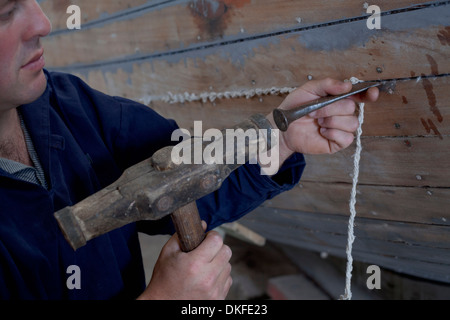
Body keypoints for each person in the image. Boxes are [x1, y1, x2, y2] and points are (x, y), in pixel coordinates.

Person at [0, 0, 379, 300]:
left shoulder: (71, 104)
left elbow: (187, 179)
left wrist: (279, 138)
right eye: (4, 11)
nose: (42, 23)